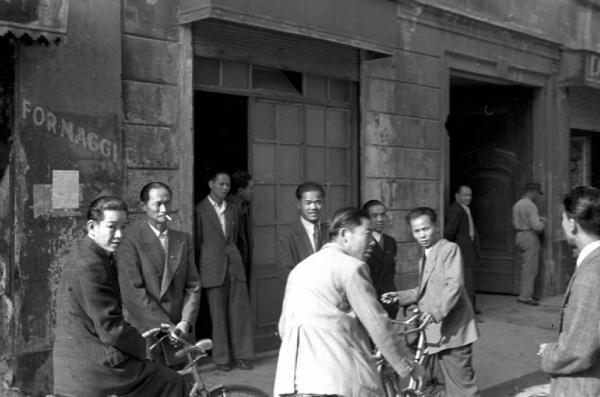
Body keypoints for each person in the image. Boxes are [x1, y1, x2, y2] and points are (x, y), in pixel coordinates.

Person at [274, 207, 420, 397]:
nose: (372, 243)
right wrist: (409, 367)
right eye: (367, 234)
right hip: (335, 380)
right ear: (345, 234)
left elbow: (284, 326)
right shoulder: (351, 268)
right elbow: (378, 324)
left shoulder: (301, 269)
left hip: (293, 381)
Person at [53, 196, 188, 397]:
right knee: (172, 381)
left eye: (123, 227)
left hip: (85, 359)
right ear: (92, 226)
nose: (119, 235)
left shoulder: (92, 254)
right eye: (111, 227)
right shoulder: (90, 264)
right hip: (94, 367)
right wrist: (143, 346)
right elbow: (111, 330)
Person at [382, 207, 480, 397]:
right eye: (417, 231)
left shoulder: (449, 249)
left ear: (436, 227)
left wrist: (435, 313)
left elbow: (453, 285)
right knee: (446, 384)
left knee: (462, 387)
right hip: (437, 330)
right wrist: (400, 296)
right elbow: (426, 290)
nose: (422, 235)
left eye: (426, 229)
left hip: (454, 330)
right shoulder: (425, 256)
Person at [117, 182, 201, 366]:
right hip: (147, 329)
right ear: (143, 206)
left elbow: (192, 285)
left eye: (167, 203)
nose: (164, 209)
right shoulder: (130, 241)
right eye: (157, 204)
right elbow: (133, 294)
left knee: (182, 385)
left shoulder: (183, 240)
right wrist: (165, 325)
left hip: (179, 330)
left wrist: (185, 322)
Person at [539, 186, 600, 396]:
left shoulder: (592, 274)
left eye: (563, 218)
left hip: (584, 386)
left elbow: (579, 351)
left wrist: (550, 353)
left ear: (572, 225)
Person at [195, 171, 254, 371]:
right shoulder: (200, 210)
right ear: (211, 184)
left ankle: (242, 356)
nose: (225, 188)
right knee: (218, 315)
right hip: (212, 267)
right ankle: (222, 359)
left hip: (234, 265)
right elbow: (197, 242)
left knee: (240, 312)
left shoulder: (233, 208)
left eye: (227, 185)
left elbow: (239, 239)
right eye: (221, 184)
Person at [278, 182, 329, 282]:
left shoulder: (330, 231)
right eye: (308, 203)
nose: (313, 207)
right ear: (299, 205)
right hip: (302, 292)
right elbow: (286, 271)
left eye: (318, 202)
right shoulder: (287, 235)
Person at [444, 185, 481, 313]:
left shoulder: (465, 209)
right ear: (457, 196)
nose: (468, 198)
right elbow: (449, 232)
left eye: (469, 195)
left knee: (469, 281)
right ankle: (469, 311)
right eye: (465, 195)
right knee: (467, 283)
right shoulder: (456, 210)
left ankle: (471, 308)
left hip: (468, 250)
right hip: (462, 251)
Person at [362, 199, 398, 318]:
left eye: (383, 215)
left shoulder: (390, 242)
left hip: (388, 301)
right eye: (375, 216)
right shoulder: (362, 242)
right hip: (369, 301)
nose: (380, 219)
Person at [512, 182, 546, 306]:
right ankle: (525, 296)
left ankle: (524, 293)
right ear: (532, 192)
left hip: (519, 235)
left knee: (525, 266)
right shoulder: (530, 205)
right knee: (530, 268)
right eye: (537, 193)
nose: (537, 196)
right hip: (529, 236)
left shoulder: (517, 204)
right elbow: (537, 227)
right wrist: (543, 223)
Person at [227, 170, 254, 284]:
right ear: (240, 191)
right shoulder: (226, 209)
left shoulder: (245, 208)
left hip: (245, 261)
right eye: (251, 188)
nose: (252, 192)